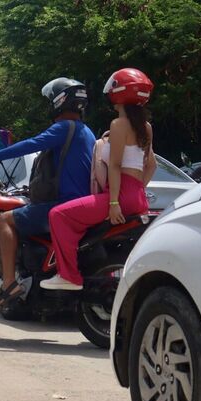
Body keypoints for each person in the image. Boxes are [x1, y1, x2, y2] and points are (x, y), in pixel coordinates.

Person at [0, 77, 96, 307]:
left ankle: (9, 283)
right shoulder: (87, 132)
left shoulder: (63, 127)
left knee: (6, 220)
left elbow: (31, 144)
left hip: (63, 205)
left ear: (59, 101)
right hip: (81, 205)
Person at [42, 68, 156, 291]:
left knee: (58, 214)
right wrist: (137, 190)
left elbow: (114, 165)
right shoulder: (145, 126)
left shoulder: (118, 125)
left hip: (119, 195)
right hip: (137, 197)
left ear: (118, 92)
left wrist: (114, 202)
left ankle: (69, 276)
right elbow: (151, 164)